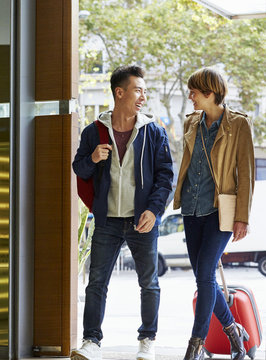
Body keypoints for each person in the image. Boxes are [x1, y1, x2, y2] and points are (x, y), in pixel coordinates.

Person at [71, 65, 174, 360]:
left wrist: (154, 211)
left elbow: (166, 176)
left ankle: (147, 341)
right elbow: (79, 169)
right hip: (107, 222)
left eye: (144, 90)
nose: (143, 96)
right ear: (120, 92)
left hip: (143, 221)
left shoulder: (153, 132)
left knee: (149, 283)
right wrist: (92, 157)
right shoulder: (94, 131)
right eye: (138, 89)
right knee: (96, 283)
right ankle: (91, 342)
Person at [173, 67, 255, 360]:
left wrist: (242, 216)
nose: (190, 96)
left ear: (210, 93)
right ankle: (235, 333)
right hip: (192, 209)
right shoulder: (190, 123)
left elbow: (245, 174)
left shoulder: (239, 125)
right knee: (203, 277)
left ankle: (195, 345)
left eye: (194, 91)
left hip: (220, 211)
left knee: (205, 274)